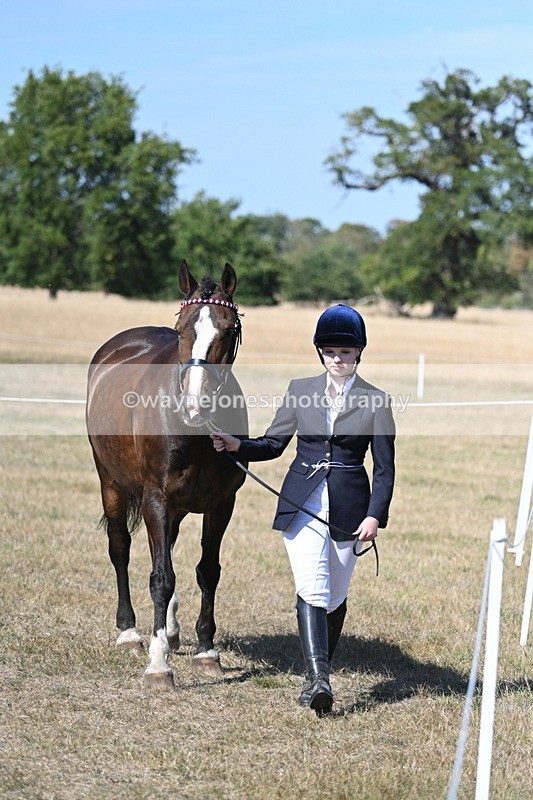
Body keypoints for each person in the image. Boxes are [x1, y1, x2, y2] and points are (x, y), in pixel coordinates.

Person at [211, 304, 395, 715]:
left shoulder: (377, 401)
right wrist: (239, 445)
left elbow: (384, 469)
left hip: (351, 504)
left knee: (335, 596)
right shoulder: (299, 390)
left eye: (345, 352)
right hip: (302, 500)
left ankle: (317, 672)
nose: (337, 358)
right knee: (313, 586)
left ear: (359, 354)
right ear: (320, 353)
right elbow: (274, 444)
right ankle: (318, 681)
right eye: (330, 351)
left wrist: (375, 515)